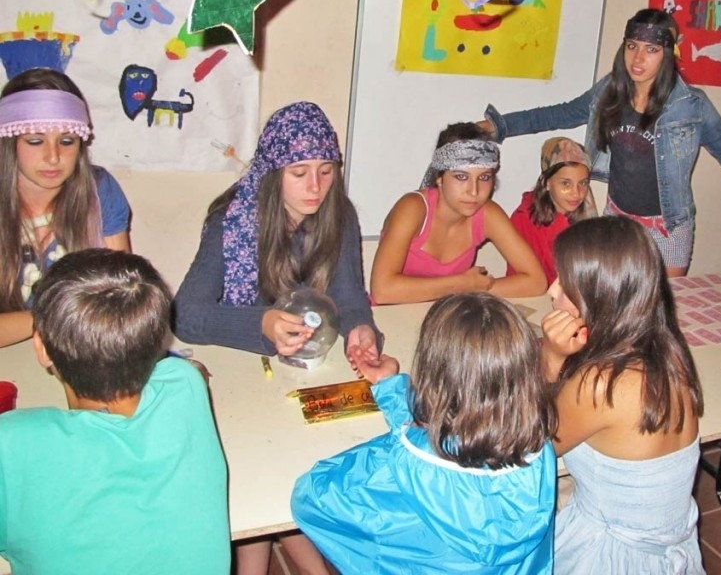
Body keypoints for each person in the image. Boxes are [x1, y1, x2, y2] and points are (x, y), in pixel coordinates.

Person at [173, 101, 380, 575]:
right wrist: (260, 324)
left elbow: (350, 298)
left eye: (326, 171)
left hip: (301, 375)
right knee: (262, 479)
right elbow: (185, 314)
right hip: (241, 378)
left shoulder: (340, 216)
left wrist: (361, 329)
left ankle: (292, 545)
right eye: (299, 173)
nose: (316, 187)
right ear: (272, 172)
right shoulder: (231, 218)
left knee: (302, 469)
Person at [480, 8, 721, 277]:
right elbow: (558, 114)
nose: (638, 58)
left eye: (651, 49)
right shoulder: (609, 92)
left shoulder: (691, 106)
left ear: (667, 54)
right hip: (619, 220)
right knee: (617, 305)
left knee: (664, 311)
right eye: (632, 46)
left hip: (669, 227)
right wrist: (498, 126)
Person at [292, 291, 557, 574]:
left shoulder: (406, 464)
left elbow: (311, 497)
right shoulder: (539, 450)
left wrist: (396, 400)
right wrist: (391, 387)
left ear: (432, 377)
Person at [0, 249, 229, 574]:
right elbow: (189, 370)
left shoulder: (12, 442)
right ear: (158, 342)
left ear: (41, 348)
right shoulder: (185, 384)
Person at [540, 216, 705, 574]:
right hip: (669, 545)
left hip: (612, 556)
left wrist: (551, 359)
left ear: (599, 293)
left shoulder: (601, 383)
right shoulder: (669, 350)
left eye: (565, 282)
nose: (552, 290)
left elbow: (537, 444)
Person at [0, 68, 131, 347]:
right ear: (9, 142)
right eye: (35, 141)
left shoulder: (100, 191)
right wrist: (57, 316)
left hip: (79, 351)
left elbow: (120, 297)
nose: (53, 156)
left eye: (67, 140)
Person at [369, 122, 546, 304]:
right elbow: (382, 291)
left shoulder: (487, 213)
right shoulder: (413, 208)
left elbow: (537, 282)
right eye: (461, 177)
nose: (474, 191)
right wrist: (461, 284)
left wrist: (473, 288)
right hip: (391, 315)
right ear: (439, 177)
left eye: (484, 177)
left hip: (446, 316)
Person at [507, 136, 595, 285]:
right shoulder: (523, 218)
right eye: (566, 183)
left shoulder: (587, 218)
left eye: (583, 183)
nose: (576, 193)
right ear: (546, 182)